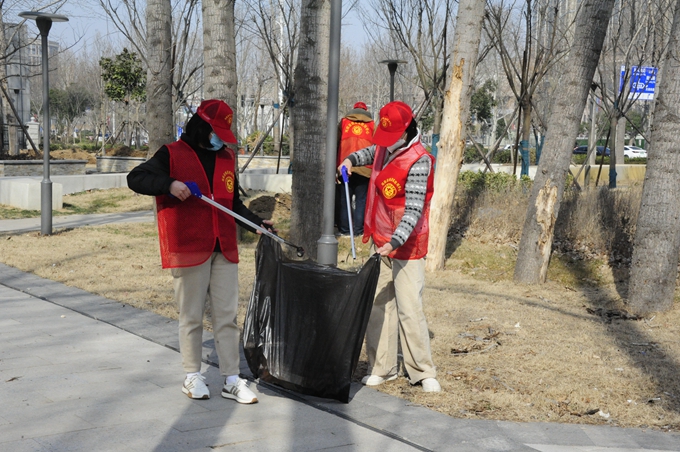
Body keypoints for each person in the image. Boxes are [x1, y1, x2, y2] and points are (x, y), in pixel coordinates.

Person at [127, 99, 274, 403]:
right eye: (215, 131)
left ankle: (232, 379)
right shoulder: (172, 154)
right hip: (190, 246)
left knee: (227, 316)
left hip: (224, 247)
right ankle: (192, 375)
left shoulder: (225, 158)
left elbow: (231, 204)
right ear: (201, 126)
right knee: (191, 315)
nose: (219, 139)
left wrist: (257, 224)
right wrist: (169, 184)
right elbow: (136, 178)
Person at [338, 100, 441, 393]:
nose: (384, 143)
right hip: (380, 238)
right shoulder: (385, 146)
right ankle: (381, 367)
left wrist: (395, 242)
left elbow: (413, 210)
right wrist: (349, 160)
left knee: (409, 307)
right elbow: (369, 152)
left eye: (391, 137)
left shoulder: (420, 160)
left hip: (408, 245)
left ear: (406, 132)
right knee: (378, 304)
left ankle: (422, 371)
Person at [335, 102, 374, 236]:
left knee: (344, 199)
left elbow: (335, 142)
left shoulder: (344, 123)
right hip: (365, 169)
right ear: (365, 110)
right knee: (361, 200)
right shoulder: (372, 125)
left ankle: (345, 230)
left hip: (344, 166)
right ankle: (358, 230)